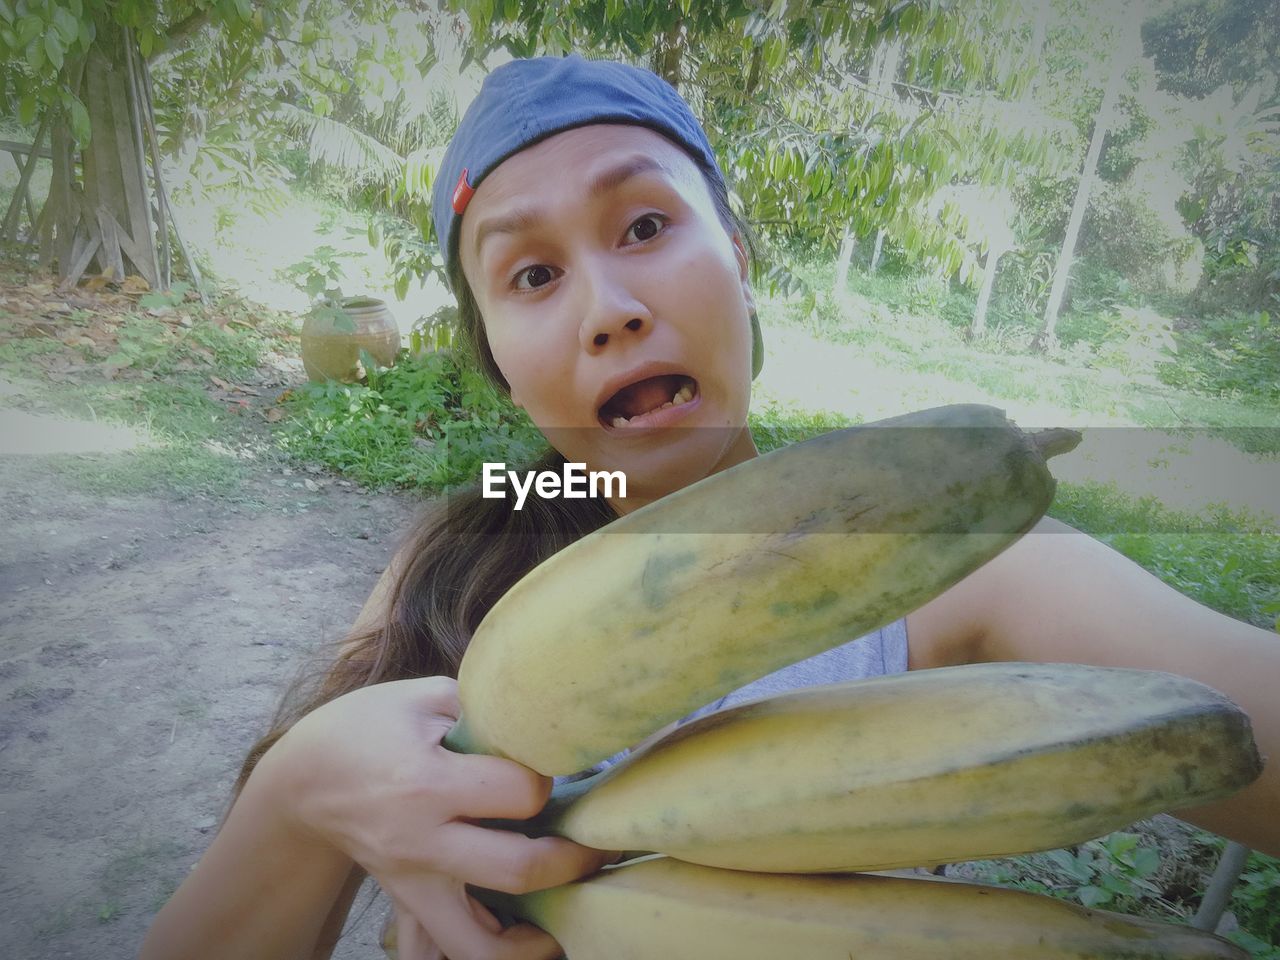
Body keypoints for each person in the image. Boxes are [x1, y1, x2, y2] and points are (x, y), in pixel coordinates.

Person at [141, 55, 1279, 960]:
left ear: (735, 259)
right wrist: (293, 802)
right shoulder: (453, 563)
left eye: (644, 226)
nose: (609, 307)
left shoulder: (950, 555)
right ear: (493, 352)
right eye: (530, 275)